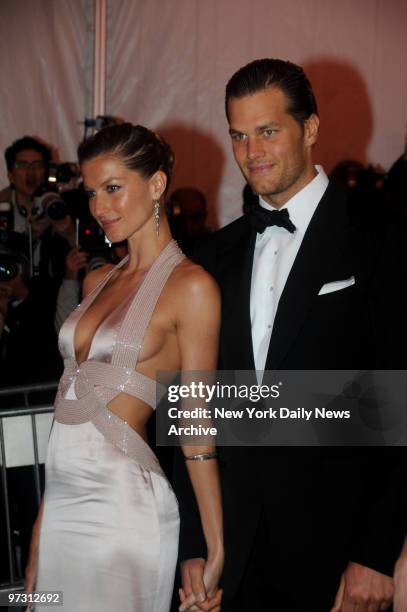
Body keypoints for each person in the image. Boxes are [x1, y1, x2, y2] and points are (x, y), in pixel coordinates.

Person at [177, 59, 407, 611]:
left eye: (268, 131)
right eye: (238, 135)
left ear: (309, 129)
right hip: (234, 549)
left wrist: (376, 552)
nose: (251, 151)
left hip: (339, 548)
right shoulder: (211, 257)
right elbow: (192, 404)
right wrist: (193, 543)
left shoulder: (378, 236)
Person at [25, 123, 223, 612]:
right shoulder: (96, 279)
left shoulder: (192, 287)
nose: (98, 207)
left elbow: (197, 428)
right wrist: (38, 538)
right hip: (61, 510)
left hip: (125, 512)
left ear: (156, 185)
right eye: (92, 192)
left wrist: (215, 547)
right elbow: (65, 415)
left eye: (113, 188)